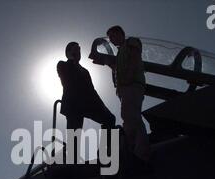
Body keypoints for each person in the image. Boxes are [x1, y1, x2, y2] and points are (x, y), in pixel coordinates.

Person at [57, 42, 115, 161]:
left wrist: (102, 106)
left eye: (79, 50)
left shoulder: (85, 71)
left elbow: (92, 90)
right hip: (73, 106)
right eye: (75, 50)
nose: (78, 52)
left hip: (88, 104)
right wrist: (72, 59)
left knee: (110, 119)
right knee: (74, 138)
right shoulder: (63, 65)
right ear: (68, 53)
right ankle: (72, 164)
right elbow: (67, 79)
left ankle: (104, 152)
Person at [106, 26, 151, 163]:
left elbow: (134, 59)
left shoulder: (131, 42)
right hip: (125, 89)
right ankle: (130, 151)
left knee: (133, 118)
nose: (112, 40)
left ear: (120, 33)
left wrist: (128, 80)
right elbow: (120, 68)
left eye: (113, 36)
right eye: (110, 38)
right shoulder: (120, 53)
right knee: (128, 118)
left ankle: (142, 154)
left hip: (132, 86)